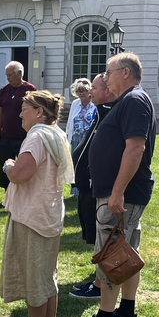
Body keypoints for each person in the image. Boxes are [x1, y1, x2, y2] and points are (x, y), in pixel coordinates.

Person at [71, 52, 156, 317]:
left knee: (109, 255)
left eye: (109, 73)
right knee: (126, 253)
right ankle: (126, 313)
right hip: (120, 193)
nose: (105, 78)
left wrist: (117, 192)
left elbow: (135, 149)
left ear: (126, 73)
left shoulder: (133, 101)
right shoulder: (129, 101)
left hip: (122, 195)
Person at [0, 91, 74, 317]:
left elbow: (21, 174)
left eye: (25, 108)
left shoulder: (36, 136)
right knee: (46, 273)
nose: (20, 114)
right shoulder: (57, 133)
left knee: (34, 275)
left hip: (32, 215)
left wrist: (8, 166)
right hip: (49, 212)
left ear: (39, 112)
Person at [67, 72, 115, 300]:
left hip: (101, 187)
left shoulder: (111, 111)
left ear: (107, 90)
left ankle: (100, 286)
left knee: (104, 237)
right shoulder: (101, 111)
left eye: (94, 88)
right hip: (88, 185)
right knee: (94, 234)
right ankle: (97, 281)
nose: (90, 92)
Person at [0, 61, 37, 208]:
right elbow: (0, 113)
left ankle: (24, 199)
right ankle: (7, 200)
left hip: (23, 137)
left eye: (10, 75)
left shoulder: (29, 89)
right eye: (7, 75)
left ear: (19, 73)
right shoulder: (4, 90)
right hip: (5, 137)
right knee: (5, 168)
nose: (8, 78)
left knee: (23, 169)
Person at [65, 78, 97, 152]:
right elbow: (70, 122)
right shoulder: (75, 103)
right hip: (76, 139)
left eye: (83, 91)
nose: (81, 94)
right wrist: (67, 136)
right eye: (78, 91)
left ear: (89, 91)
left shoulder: (94, 103)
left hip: (89, 139)